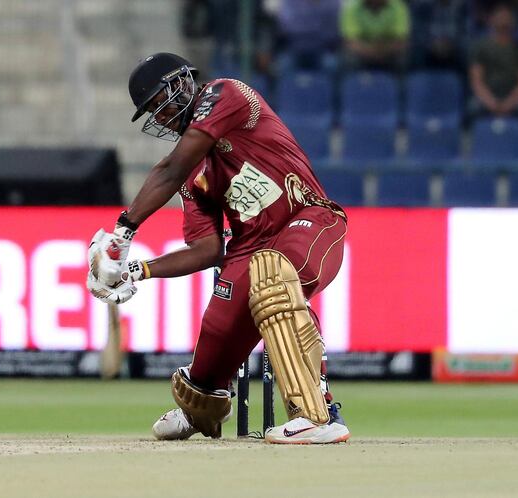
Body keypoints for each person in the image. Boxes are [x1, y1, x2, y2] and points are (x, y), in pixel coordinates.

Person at [86, 53, 350, 444]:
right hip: (248, 247)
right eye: (151, 113)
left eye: (159, 102)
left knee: (273, 274)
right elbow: (208, 249)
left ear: (182, 84)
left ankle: (317, 415)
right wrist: (137, 270)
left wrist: (123, 232)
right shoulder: (192, 171)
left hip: (308, 219)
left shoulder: (225, 93)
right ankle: (200, 414)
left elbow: (169, 168)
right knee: (207, 369)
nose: (158, 117)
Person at [468, 4, 518, 121]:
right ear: (492, 20)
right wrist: (491, 103)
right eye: (500, 17)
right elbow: (476, 81)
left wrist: (508, 104)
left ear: (513, 21)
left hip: (514, 98)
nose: (503, 20)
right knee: (472, 108)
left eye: (507, 17)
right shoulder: (481, 47)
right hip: (488, 96)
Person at [340, 0, 411, 72]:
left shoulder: (398, 6)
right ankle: (356, 82)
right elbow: (350, 42)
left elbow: (400, 42)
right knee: (349, 58)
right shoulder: (351, 7)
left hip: (389, 53)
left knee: (402, 58)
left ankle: (400, 83)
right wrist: (373, 52)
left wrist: (380, 52)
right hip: (362, 54)